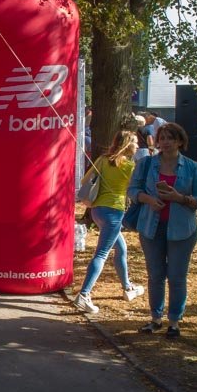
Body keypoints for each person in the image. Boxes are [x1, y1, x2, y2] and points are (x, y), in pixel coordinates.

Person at [127, 122, 197, 338]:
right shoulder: (146, 164)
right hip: (150, 228)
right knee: (155, 275)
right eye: (162, 138)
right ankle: (155, 318)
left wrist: (180, 198)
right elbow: (133, 190)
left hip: (182, 230)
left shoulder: (192, 167)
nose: (165, 142)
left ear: (180, 141)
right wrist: (149, 200)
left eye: (171, 138)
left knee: (176, 276)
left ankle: (174, 321)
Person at [70, 130, 145, 315]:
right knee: (101, 254)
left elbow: (85, 180)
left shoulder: (104, 160)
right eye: (135, 142)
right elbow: (134, 189)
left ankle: (127, 287)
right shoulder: (129, 166)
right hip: (114, 212)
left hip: (96, 210)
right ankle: (84, 294)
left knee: (121, 248)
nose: (138, 146)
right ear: (128, 145)